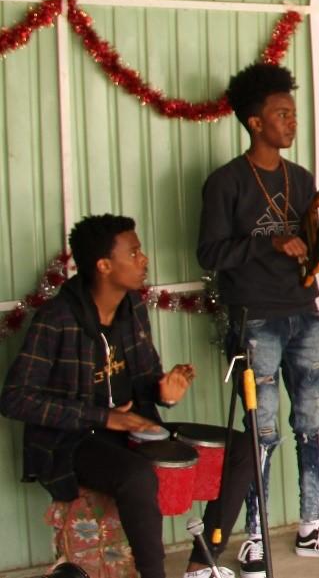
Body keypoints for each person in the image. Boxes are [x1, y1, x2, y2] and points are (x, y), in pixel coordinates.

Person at [2, 214, 257, 578]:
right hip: (72, 442)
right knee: (137, 476)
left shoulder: (132, 307)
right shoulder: (56, 319)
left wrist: (163, 390)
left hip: (134, 428)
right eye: (134, 253)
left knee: (241, 448)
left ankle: (202, 564)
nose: (144, 260)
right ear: (104, 265)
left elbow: (146, 376)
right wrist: (103, 417)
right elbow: (15, 398)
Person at [197, 62, 319, 572]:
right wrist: (268, 242)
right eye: (281, 114)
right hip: (256, 319)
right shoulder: (226, 182)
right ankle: (256, 535)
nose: (291, 122)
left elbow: (309, 251)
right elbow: (209, 253)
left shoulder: (301, 177)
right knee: (259, 431)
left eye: (292, 113)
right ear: (254, 122)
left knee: (312, 421)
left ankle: (312, 525)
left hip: (303, 314)